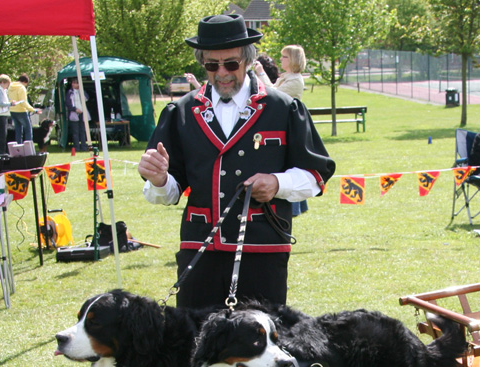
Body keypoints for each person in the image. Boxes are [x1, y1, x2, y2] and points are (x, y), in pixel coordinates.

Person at [138, 14, 334, 311]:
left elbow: (316, 174)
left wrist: (277, 183)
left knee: (258, 349)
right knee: (195, 342)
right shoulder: (180, 112)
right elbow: (168, 192)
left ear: (247, 59)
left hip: (263, 248)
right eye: (211, 65)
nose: (222, 73)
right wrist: (159, 179)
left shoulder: (283, 107)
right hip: (200, 250)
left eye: (231, 63)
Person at [254, 45, 309, 216]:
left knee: (288, 166)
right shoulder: (286, 77)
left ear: (293, 59)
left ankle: (293, 208)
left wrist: (261, 73)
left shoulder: (295, 80)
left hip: (288, 127)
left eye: (284, 57)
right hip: (279, 125)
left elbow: (273, 94)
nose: (281, 60)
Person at [8, 74, 38, 144]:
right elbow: (24, 102)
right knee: (28, 130)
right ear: (25, 82)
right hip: (21, 111)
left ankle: (19, 147)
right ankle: (29, 148)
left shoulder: (10, 87)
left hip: (12, 110)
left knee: (18, 130)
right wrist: (34, 110)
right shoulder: (21, 88)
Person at [66, 77, 89, 153]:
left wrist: (81, 90)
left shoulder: (82, 91)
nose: (74, 84)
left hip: (82, 113)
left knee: (83, 131)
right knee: (75, 132)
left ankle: (84, 146)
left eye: (76, 83)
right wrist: (75, 109)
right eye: (73, 83)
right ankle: (76, 147)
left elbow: (86, 98)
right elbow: (68, 104)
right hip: (74, 113)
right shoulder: (70, 92)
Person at [0, 74, 15, 156]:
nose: (8, 86)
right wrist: (10, 104)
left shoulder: (2, 90)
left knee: (4, 133)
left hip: (4, 114)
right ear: (3, 82)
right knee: (2, 133)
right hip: (0, 114)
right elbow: (0, 103)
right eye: (7, 84)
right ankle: (1, 152)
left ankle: (4, 151)